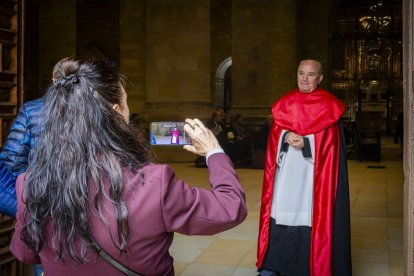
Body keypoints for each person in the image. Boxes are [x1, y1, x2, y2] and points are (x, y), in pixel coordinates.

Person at [10, 56, 247, 275]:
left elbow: (26, 253)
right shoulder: (155, 184)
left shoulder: (31, 183)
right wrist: (214, 153)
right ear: (116, 113)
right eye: (126, 102)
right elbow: (230, 206)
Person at [257, 59, 351, 276]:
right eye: (301, 73)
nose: (305, 79)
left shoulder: (330, 106)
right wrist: (285, 136)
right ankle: (273, 266)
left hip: (313, 179)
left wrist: (307, 143)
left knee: (309, 219)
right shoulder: (286, 103)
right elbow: (274, 137)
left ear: (320, 78)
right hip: (287, 175)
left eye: (310, 75)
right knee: (279, 216)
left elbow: (332, 147)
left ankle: (306, 268)